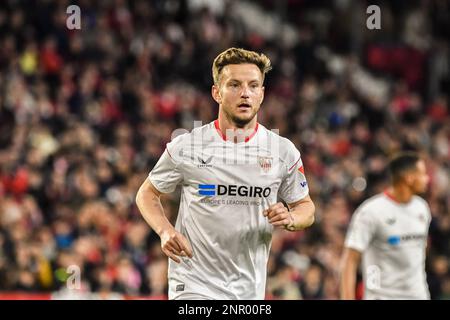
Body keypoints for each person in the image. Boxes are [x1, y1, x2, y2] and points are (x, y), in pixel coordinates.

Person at [135, 47, 315, 300]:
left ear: (262, 95)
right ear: (216, 93)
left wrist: (291, 218)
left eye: (253, 86)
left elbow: (306, 208)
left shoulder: (282, 151)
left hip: (249, 289)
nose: (245, 93)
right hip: (194, 283)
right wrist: (165, 230)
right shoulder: (188, 145)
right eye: (234, 85)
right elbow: (147, 193)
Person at [340, 152, 431, 300]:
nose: (427, 179)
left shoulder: (422, 208)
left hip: (419, 295)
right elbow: (350, 261)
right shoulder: (371, 212)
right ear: (409, 178)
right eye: (422, 174)